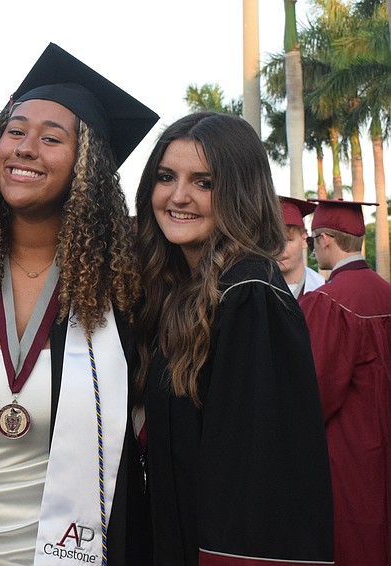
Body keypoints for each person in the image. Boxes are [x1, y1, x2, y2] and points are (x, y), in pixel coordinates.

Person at [0, 43, 158, 565]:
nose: (25, 148)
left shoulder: (125, 297)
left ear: (86, 164)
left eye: (51, 139)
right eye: (15, 131)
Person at [133, 112, 334, 565]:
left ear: (240, 191)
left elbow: (258, 482)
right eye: (166, 177)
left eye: (204, 182)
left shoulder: (249, 296)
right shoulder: (182, 291)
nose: (179, 196)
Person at [299, 198, 391, 566]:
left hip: (349, 458)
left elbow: (313, 395)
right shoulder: (385, 293)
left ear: (323, 240)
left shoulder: (328, 302)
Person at [278, 196, 325, 299]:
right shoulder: (257, 290)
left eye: (288, 240)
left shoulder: (321, 288)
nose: (279, 249)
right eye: (272, 241)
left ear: (304, 240)